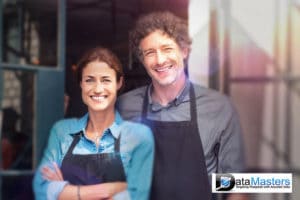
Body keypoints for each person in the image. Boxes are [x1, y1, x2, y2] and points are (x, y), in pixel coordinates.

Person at [117, 11, 246, 200]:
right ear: (142, 60)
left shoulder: (219, 108)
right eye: (150, 53)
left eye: (167, 49)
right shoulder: (124, 106)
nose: (160, 60)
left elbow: (235, 184)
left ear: (184, 51)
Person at [33, 47, 154, 200]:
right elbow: (42, 190)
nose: (97, 89)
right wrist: (111, 189)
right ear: (81, 84)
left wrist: (65, 193)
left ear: (119, 83)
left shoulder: (139, 136)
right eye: (89, 80)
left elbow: (136, 196)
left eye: (106, 80)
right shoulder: (62, 131)